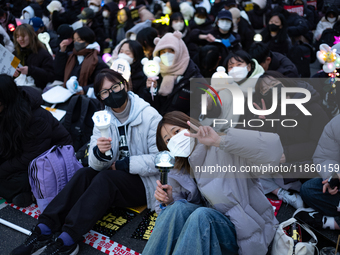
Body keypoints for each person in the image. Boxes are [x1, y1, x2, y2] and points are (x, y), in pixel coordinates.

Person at [11, 69, 162, 255]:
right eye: (105, 92)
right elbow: (94, 164)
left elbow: (160, 159)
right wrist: (100, 152)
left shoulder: (149, 116)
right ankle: (44, 228)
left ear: (125, 84)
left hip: (144, 182)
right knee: (84, 173)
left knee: (106, 179)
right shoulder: (103, 119)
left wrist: (124, 164)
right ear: (100, 96)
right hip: (114, 176)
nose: (112, 93)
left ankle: (68, 238)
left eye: (115, 87)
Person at [142, 111, 283, 255]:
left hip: (246, 233)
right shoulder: (178, 169)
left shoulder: (223, 148)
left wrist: (220, 141)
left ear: (189, 126)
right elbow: (168, 220)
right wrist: (168, 201)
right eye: (167, 140)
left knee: (202, 215)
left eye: (177, 131)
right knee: (177, 208)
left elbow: (276, 152)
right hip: (203, 232)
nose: (174, 139)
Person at [249, 71, 329, 208]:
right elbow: (268, 143)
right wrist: (264, 122)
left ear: (285, 83)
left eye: (273, 84)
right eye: (265, 90)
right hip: (286, 163)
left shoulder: (312, 107)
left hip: (309, 162)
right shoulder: (274, 109)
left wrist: (287, 154)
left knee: (310, 188)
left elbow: (321, 144)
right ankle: (283, 193)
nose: (270, 90)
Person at [0, 74, 72, 208]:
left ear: (6, 100)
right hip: (22, 153)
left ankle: (31, 193)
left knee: (19, 180)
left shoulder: (34, 117)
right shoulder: (5, 112)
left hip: (50, 157)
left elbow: (31, 157)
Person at [294, 114, 340, 231]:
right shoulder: (336, 123)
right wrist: (332, 178)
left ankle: (331, 222)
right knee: (308, 189)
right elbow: (325, 157)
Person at [146, 31, 204, 118]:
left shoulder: (195, 78)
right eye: (163, 52)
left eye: (171, 50)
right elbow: (150, 107)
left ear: (180, 51)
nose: (167, 55)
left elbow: (197, 111)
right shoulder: (155, 73)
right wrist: (150, 91)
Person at [54, 26, 108, 95]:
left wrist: (84, 90)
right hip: (67, 93)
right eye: (74, 40)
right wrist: (61, 52)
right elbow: (58, 71)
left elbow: (101, 81)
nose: (76, 43)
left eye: (79, 40)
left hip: (85, 97)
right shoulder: (71, 56)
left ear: (88, 40)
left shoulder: (96, 60)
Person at [13, 24, 54, 90]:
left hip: (37, 89)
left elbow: (50, 76)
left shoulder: (42, 53)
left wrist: (31, 70)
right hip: (18, 87)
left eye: (23, 36)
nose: (20, 39)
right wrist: (13, 73)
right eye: (17, 36)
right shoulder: (16, 53)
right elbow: (11, 70)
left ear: (32, 36)